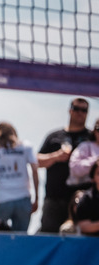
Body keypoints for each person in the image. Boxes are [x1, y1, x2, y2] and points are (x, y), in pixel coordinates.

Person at [38, 99, 93, 233]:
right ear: (70, 110)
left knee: (81, 241)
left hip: (81, 200)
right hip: (54, 198)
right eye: (76, 108)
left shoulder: (91, 137)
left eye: (84, 110)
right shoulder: (54, 136)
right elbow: (37, 161)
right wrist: (56, 156)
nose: (80, 113)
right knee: (48, 237)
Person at [0, 122, 38, 231]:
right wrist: (37, 198)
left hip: (1, 199)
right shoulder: (26, 147)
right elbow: (35, 172)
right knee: (20, 239)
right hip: (23, 198)